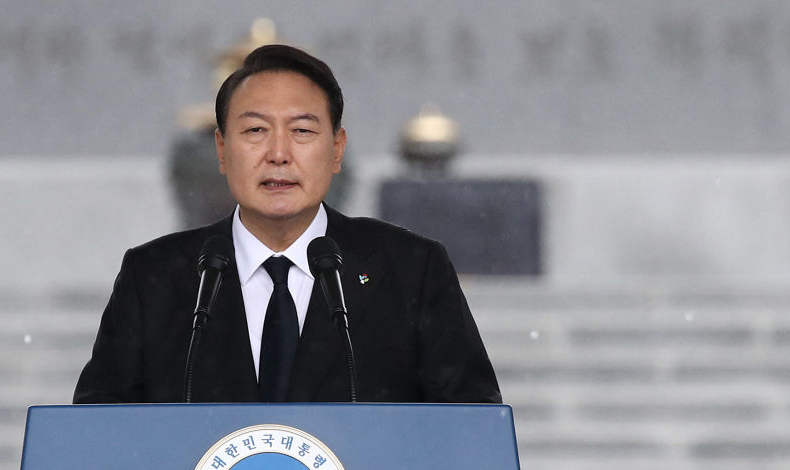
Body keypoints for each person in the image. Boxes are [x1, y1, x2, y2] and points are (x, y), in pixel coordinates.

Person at [74, 44, 500, 404]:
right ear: (221, 150)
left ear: (337, 150)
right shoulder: (153, 278)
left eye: (301, 131)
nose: (278, 154)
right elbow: (96, 439)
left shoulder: (412, 270)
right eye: (256, 130)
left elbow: (471, 430)